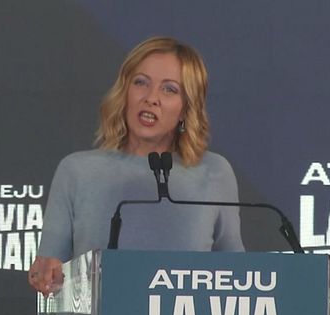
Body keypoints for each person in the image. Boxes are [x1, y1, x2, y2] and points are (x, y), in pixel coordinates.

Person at [28, 36, 244, 294]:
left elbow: (238, 275)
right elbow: (50, 270)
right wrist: (46, 275)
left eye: (169, 89)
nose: (151, 98)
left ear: (187, 108)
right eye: (141, 82)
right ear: (125, 93)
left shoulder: (214, 172)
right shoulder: (77, 171)